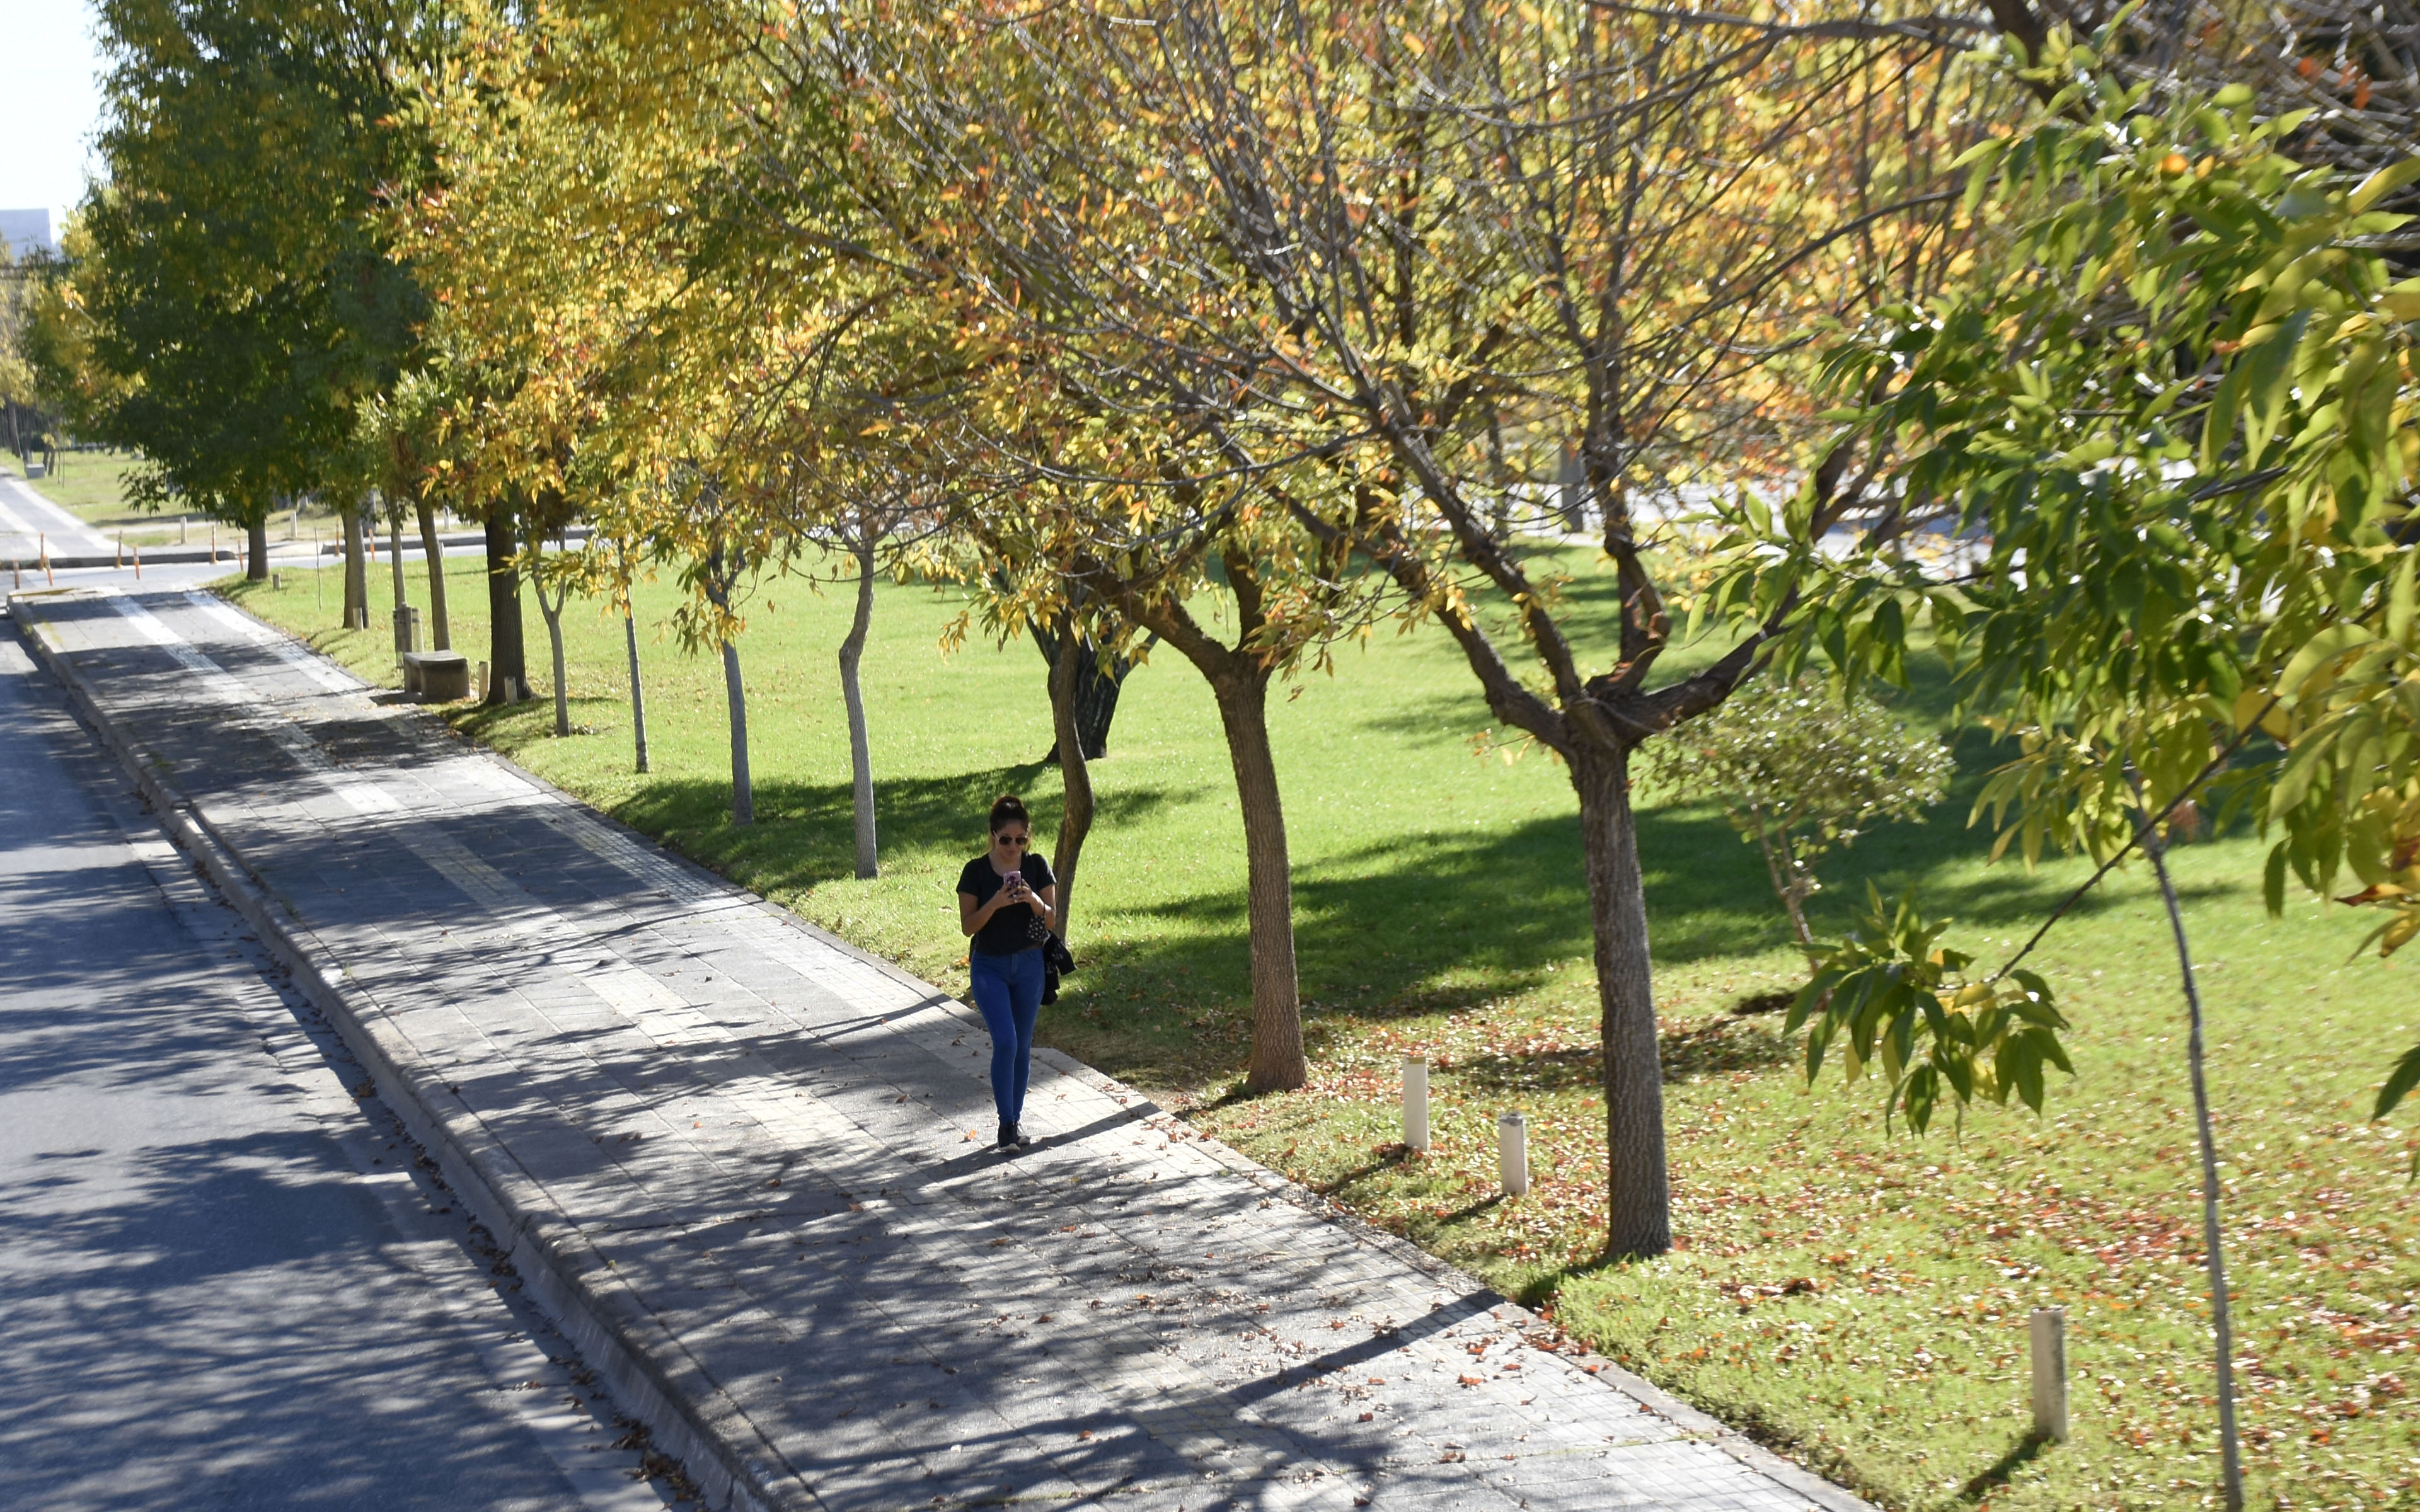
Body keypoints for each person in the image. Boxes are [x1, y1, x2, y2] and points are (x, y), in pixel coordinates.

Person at [957, 794, 1056, 1148]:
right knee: (1006, 1041)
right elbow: (969, 927)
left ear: (1028, 837)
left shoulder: (1038, 867)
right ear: (993, 836)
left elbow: (1052, 918)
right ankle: (1005, 1124)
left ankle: (1014, 1123)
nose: (1013, 847)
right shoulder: (976, 872)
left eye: (1021, 840)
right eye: (1005, 840)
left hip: (1029, 966)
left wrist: (1033, 899)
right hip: (990, 967)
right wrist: (996, 902)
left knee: (1023, 1046)